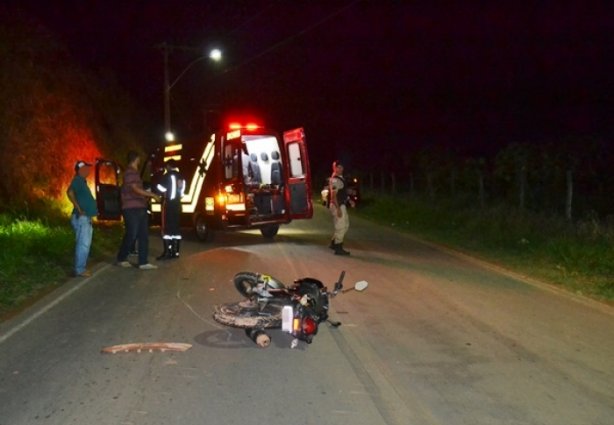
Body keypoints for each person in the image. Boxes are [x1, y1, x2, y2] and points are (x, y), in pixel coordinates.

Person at [116, 151, 159, 270]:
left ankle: (143, 262)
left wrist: (145, 197)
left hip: (140, 207)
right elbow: (135, 189)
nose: (140, 161)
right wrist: (151, 194)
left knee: (143, 235)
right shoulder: (130, 173)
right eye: (139, 159)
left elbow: (136, 190)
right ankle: (121, 258)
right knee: (132, 234)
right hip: (131, 209)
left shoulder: (135, 173)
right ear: (136, 159)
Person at [66, 160, 98, 277]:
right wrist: (79, 209)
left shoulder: (82, 182)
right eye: (85, 168)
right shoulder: (78, 180)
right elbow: (69, 192)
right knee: (83, 244)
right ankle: (80, 269)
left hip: (85, 218)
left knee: (84, 243)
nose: (88, 170)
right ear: (80, 170)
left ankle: (80, 267)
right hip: (82, 218)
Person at [155, 159, 185, 260]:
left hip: (168, 204)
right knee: (176, 227)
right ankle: (175, 252)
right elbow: (182, 192)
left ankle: (167, 252)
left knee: (166, 227)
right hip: (177, 204)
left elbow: (161, 188)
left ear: (168, 166)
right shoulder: (181, 176)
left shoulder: (167, 175)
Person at [328, 160, 354, 256]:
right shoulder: (335, 179)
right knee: (341, 226)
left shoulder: (340, 178)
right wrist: (338, 208)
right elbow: (333, 195)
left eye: (341, 167)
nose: (341, 169)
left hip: (340, 204)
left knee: (345, 224)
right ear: (334, 168)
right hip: (337, 205)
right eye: (338, 167)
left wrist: (349, 200)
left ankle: (334, 243)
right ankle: (338, 248)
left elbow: (342, 193)